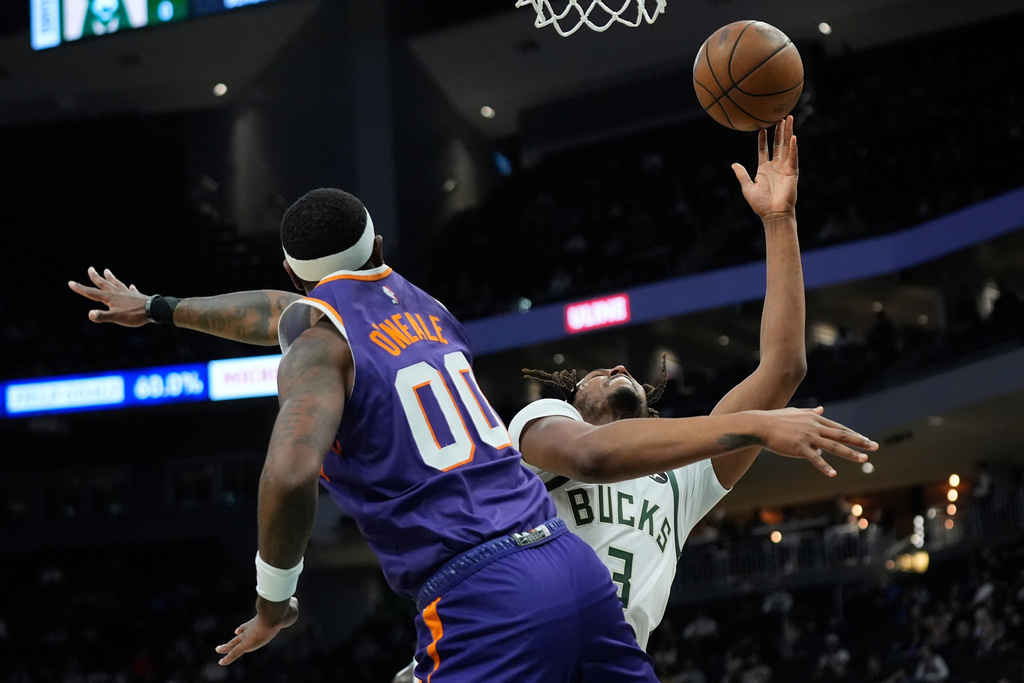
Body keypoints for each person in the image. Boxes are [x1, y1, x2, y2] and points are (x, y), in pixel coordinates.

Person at [70, 123, 876, 672]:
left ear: (300, 280)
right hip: (535, 591)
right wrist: (164, 306)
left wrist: (780, 222)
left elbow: (781, 368)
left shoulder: (684, 469)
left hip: (502, 597)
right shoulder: (503, 387)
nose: (602, 371)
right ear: (380, 250)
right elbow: (594, 456)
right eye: (589, 371)